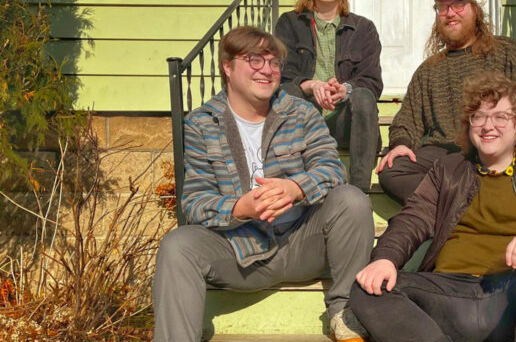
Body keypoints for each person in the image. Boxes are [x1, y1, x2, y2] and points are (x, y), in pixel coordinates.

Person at [153, 26, 373, 342]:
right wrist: (240, 208)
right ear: (227, 67)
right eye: (255, 60)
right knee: (177, 245)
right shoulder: (202, 123)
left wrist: (296, 188)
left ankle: (345, 313)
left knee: (352, 199)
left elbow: (332, 168)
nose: (267, 70)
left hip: (303, 243)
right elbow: (195, 201)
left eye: (274, 62)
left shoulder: (301, 112)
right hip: (239, 251)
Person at [351, 72, 516, 342]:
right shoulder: (448, 169)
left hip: (510, 296)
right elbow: (412, 220)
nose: (488, 126)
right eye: (479, 117)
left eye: (500, 117)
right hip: (447, 295)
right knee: (368, 287)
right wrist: (385, 258)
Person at [377, 0, 516, 205]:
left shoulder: (508, 52)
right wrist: (401, 144)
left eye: (458, 5)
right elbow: (407, 119)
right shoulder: (429, 70)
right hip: (446, 154)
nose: (450, 13)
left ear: (475, 10)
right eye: (442, 7)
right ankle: (469, 206)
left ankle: (456, 206)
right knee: (393, 172)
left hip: (498, 145)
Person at [275, 0, 383, 192]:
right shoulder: (289, 23)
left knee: (363, 96)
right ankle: (291, 189)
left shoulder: (363, 28)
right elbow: (282, 76)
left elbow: (372, 80)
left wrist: (344, 90)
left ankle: (359, 192)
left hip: (345, 121)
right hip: (303, 118)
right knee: (287, 93)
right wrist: (312, 85)